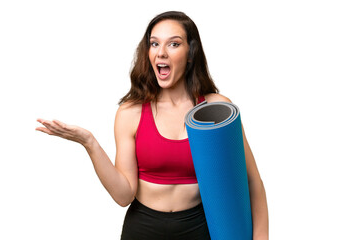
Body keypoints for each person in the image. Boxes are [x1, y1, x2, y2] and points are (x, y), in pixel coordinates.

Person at [36, 11, 269, 240]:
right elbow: (123, 195)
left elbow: (251, 181)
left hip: (200, 227)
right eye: (154, 44)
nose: (162, 53)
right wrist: (89, 143)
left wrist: (261, 237)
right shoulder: (131, 112)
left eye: (174, 44)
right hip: (143, 228)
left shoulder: (217, 108)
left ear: (190, 53)